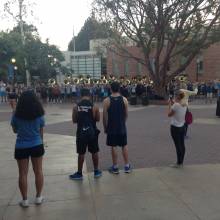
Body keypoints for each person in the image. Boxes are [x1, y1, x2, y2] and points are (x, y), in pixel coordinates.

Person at [11, 91, 45, 207]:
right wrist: (41, 143)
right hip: (37, 144)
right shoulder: (39, 113)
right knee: (38, 171)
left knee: (22, 174)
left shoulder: (16, 114)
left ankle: (25, 200)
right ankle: (39, 197)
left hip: (21, 145)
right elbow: (41, 131)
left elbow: (15, 130)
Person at [69, 88, 102, 180]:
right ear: (89, 95)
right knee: (94, 151)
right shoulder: (94, 106)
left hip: (81, 132)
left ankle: (79, 173)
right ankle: (96, 171)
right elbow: (98, 119)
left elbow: (74, 120)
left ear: (81, 95)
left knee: (81, 153)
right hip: (92, 132)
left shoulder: (76, 107)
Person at [103, 81, 131, 174]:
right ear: (119, 88)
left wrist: (105, 127)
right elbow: (126, 114)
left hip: (111, 127)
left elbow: (105, 116)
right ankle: (127, 166)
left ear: (111, 89)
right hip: (121, 126)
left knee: (113, 146)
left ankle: (115, 167)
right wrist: (122, 123)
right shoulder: (124, 100)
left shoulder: (107, 100)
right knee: (124, 145)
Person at [168, 91, 187, 168]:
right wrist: (173, 103)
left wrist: (169, 104)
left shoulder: (176, 105)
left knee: (177, 145)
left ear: (177, 97)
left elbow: (169, 114)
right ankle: (181, 161)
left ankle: (178, 163)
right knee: (182, 144)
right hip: (182, 127)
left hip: (175, 127)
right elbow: (177, 108)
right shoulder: (185, 104)